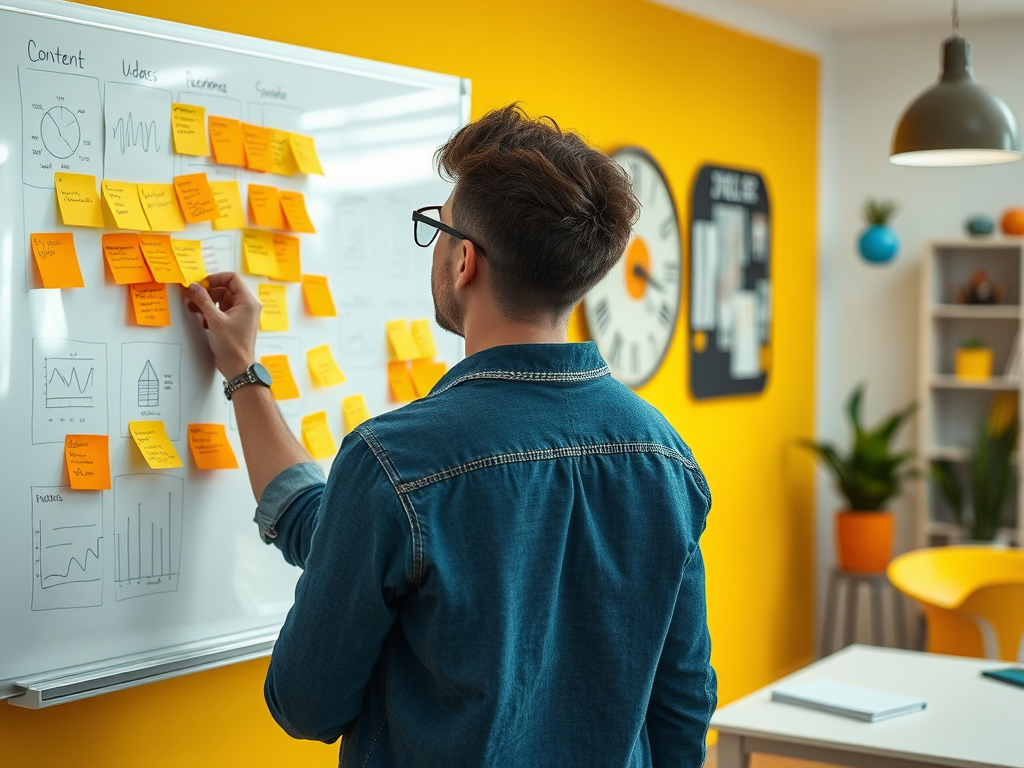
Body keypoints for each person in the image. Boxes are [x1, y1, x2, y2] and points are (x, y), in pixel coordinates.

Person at [186, 104, 716, 767]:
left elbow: (305, 703)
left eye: (435, 228)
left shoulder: (395, 464)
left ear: (464, 260)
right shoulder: (664, 456)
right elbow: (683, 697)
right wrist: (244, 373)